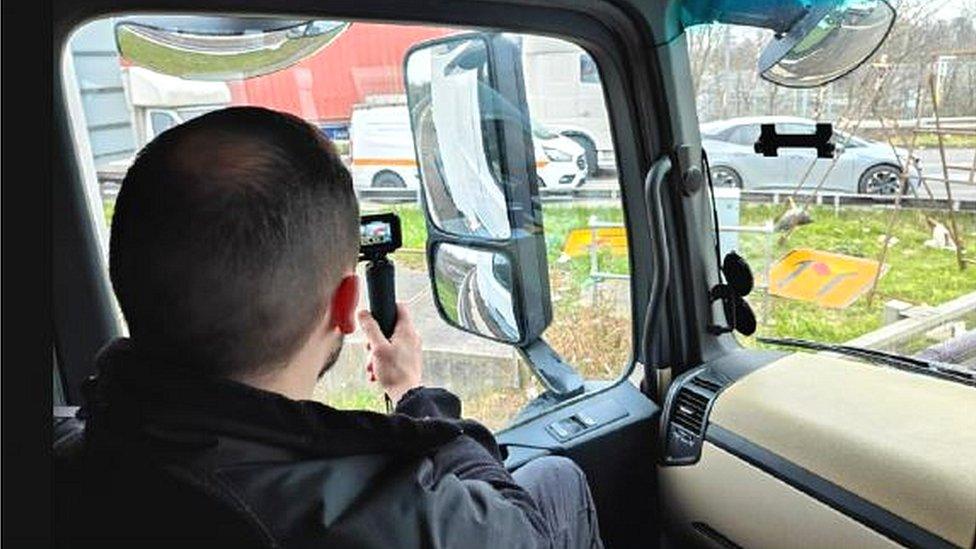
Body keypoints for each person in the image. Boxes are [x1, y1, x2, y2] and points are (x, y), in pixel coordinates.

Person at [55, 106, 603, 548]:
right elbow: (522, 529)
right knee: (558, 479)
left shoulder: (64, 455)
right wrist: (415, 396)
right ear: (347, 303)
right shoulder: (398, 519)